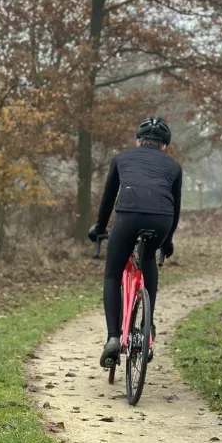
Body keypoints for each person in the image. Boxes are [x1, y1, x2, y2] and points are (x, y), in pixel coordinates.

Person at [88, 116, 182, 367]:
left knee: (112, 273)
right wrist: (168, 240)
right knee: (148, 257)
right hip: (162, 220)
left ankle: (113, 337)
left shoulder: (121, 159)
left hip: (127, 217)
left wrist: (98, 228)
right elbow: (176, 207)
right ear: (164, 146)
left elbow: (108, 200)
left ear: (139, 141)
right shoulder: (173, 166)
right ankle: (147, 326)